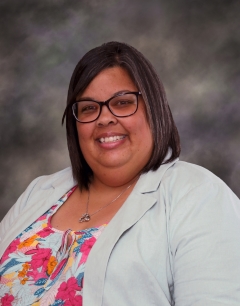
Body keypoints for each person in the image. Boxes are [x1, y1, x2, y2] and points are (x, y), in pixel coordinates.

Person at [0, 42, 240, 306]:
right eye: (89, 108)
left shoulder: (199, 196)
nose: (104, 118)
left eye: (123, 103)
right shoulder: (39, 191)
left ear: (154, 110)